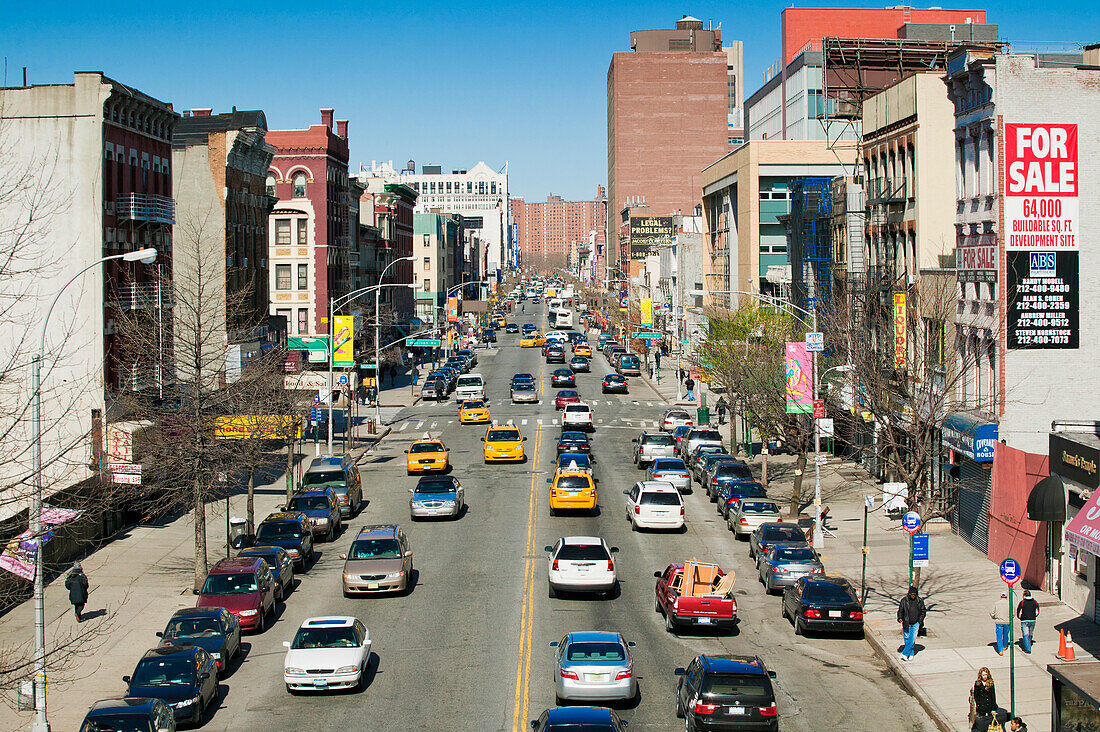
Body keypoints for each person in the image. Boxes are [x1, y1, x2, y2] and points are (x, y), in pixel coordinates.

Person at [969, 667, 1009, 731]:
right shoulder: (978, 684)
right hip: (981, 707)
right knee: (981, 724)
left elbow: (993, 695)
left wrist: (993, 708)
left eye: (986, 675)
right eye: (983, 675)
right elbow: (976, 696)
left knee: (989, 723)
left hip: (989, 706)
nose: (985, 676)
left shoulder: (990, 683)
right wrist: (979, 705)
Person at [896, 585, 926, 661]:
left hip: (916, 622)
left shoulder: (919, 601)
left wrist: (920, 620)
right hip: (907, 622)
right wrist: (899, 618)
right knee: (907, 638)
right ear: (909, 594)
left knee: (912, 638)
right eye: (911, 594)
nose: (913, 596)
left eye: (914, 594)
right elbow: (901, 610)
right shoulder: (904, 601)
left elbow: (923, 611)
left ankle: (905, 653)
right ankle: (911, 652)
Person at [1016, 589, 1039, 653]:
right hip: (1032, 620)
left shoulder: (1022, 602)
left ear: (1024, 595)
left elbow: (1019, 612)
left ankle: (1028, 648)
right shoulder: (1035, 602)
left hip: (1024, 620)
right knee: (1030, 634)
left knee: (1025, 634)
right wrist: (1034, 616)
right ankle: (1029, 643)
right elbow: (1037, 612)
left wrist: (1020, 617)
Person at [991, 591, 1012, 655]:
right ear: (1006, 596)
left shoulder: (996, 603)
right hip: (1007, 621)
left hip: (999, 621)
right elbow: (1013, 613)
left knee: (999, 636)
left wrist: (994, 617)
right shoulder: (1009, 603)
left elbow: (992, 612)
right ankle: (1005, 645)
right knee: (1005, 634)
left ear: (1000, 596)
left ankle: (1000, 650)